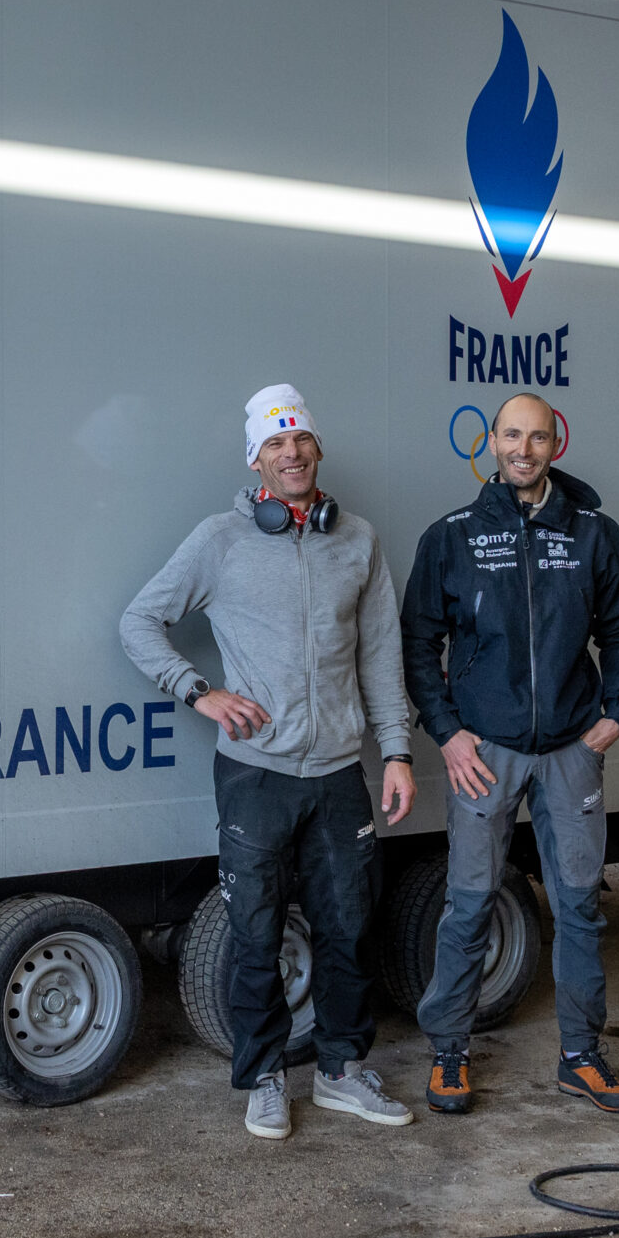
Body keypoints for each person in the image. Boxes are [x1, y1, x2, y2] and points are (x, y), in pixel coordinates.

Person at [121, 383, 418, 1140]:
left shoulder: (359, 540)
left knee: (348, 930)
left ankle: (342, 1073)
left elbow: (383, 655)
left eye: (301, 441)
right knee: (255, 936)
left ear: (317, 449)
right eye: (275, 444)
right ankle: (261, 1079)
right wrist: (200, 692)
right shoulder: (219, 541)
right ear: (256, 459)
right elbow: (139, 621)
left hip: (339, 774)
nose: (291, 454)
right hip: (255, 774)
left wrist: (395, 753)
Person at [400, 392, 619, 1116]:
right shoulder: (451, 536)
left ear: (555, 444)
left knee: (577, 907)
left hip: (572, 748)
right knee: (469, 904)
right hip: (486, 752)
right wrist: (446, 731)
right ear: (491, 442)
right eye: (512, 435)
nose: (525, 449)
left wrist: (617, 715)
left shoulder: (595, 534)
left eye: (538, 437)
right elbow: (419, 644)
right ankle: (449, 1053)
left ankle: (581, 1056)